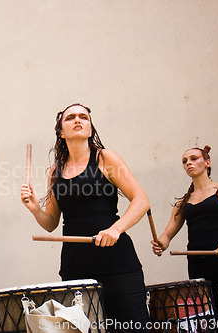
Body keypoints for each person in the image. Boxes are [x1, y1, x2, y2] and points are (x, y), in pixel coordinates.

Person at [21, 103, 151, 332]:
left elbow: (141, 200)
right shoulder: (55, 171)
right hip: (76, 266)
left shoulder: (105, 158)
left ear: (90, 128)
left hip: (117, 263)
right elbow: (51, 223)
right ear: (61, 131)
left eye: (84, 117)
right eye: (71, 117)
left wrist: (116, 229)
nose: (78, 120)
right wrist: (34, 209)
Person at [152, 145, 218, 329]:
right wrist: (160, 244)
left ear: (207, 162)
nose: (188, 163)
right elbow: (166, 236)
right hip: (197, 263)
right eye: (184, 161)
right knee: (208, 320)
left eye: (193, 158)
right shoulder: (184, 201)